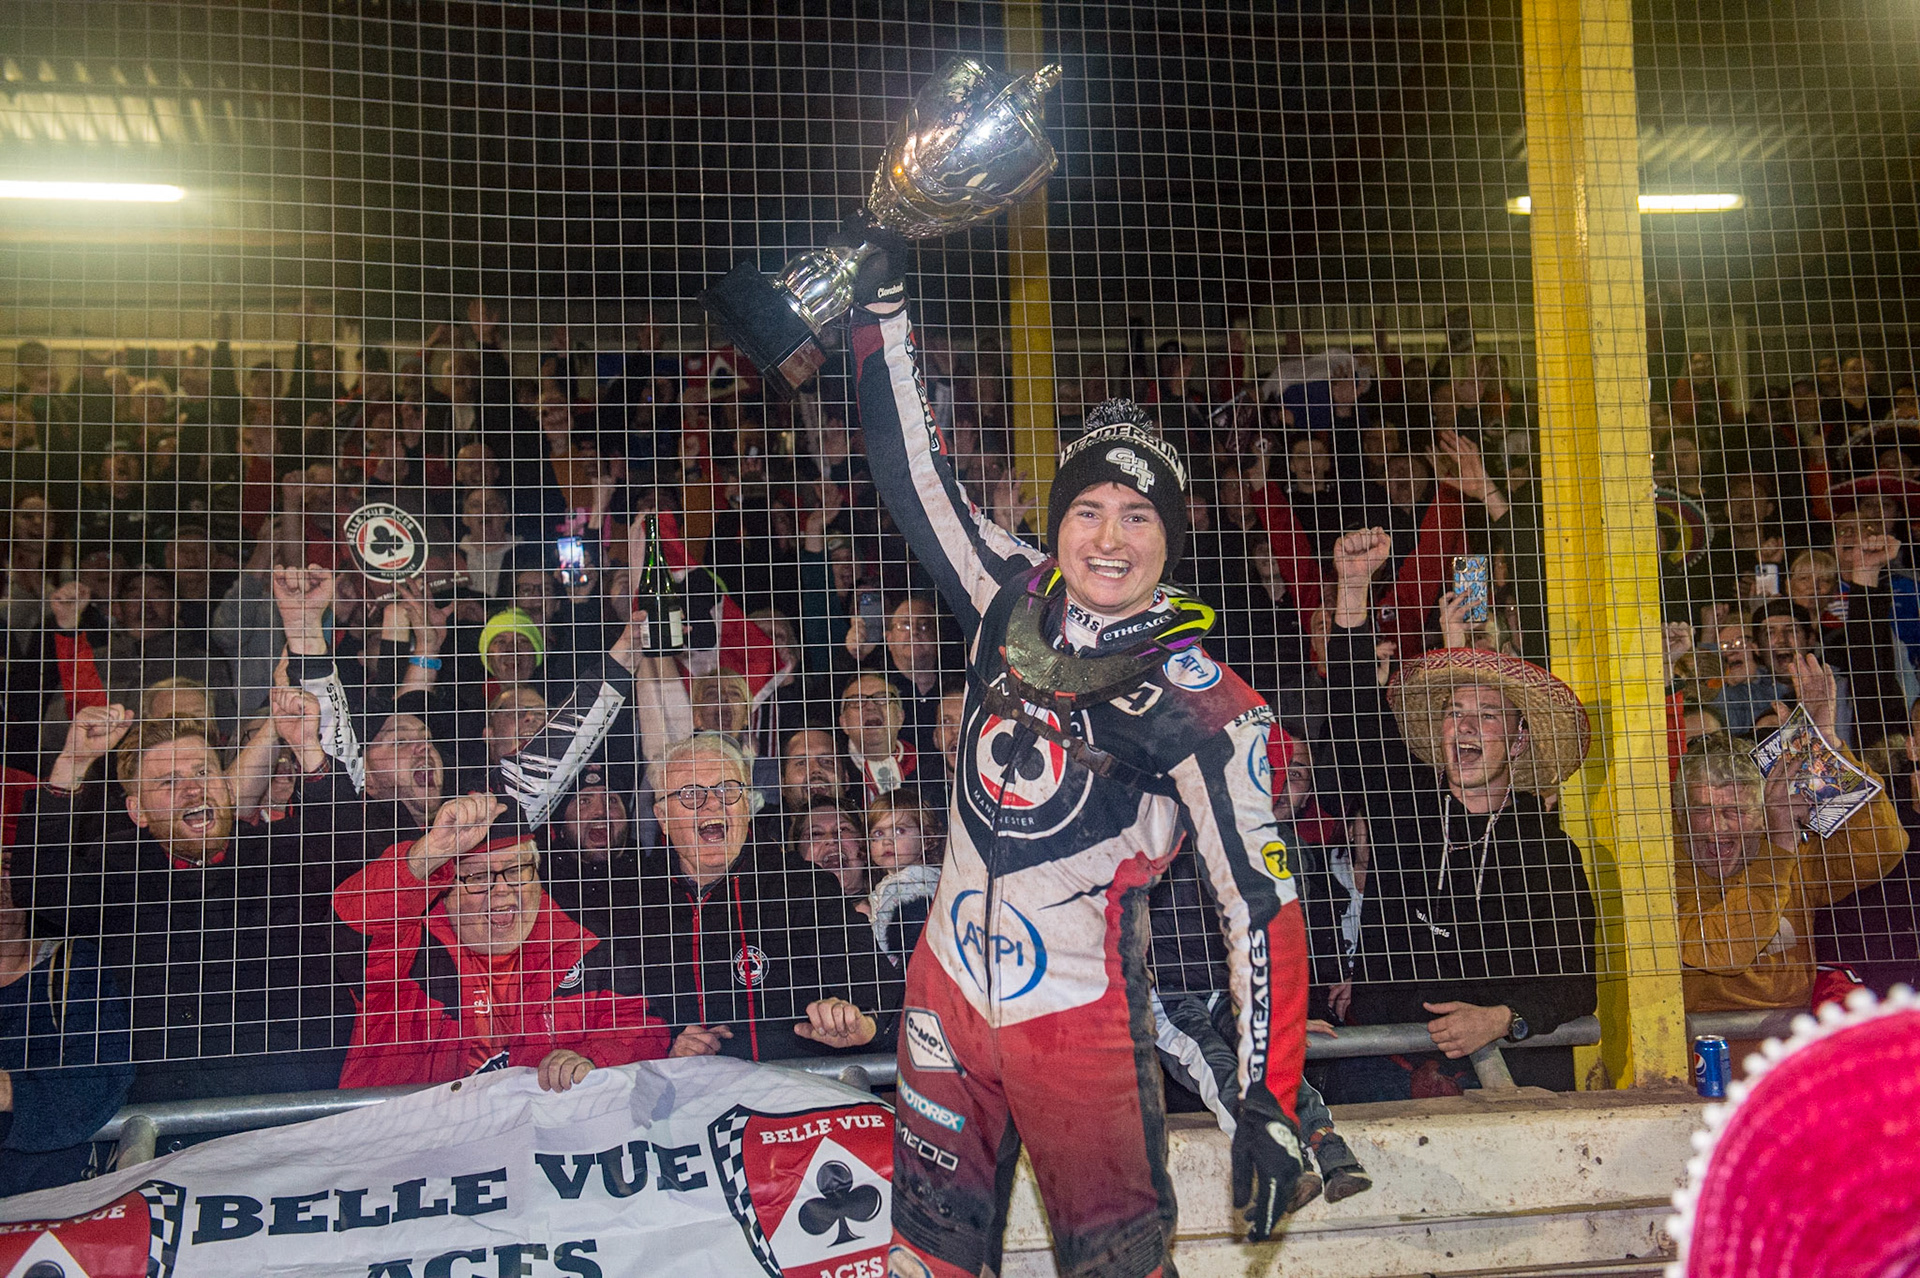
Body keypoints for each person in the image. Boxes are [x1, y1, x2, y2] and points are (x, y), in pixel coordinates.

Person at [849, 250, 1309, 1276]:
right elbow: (914, 476)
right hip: (944, 996)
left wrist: (1271, 1099)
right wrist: (881, 307)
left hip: (1076, 1028)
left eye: (1139, 516)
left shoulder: (1210, 707)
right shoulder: (1005, 589)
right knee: (923, 1258)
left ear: (1170, 539)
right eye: (1088, 510)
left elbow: (1262, 906)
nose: (1110, 537)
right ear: (1057, 523)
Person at [1323, 527, 1598, 1098]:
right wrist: (1353, 589)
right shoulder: (1405, 809)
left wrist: (1502, 1017)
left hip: (1500, 1079)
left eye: (1488, 715)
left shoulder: (1545, 849)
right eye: (1454, 711)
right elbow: (1354, 715)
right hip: (1380, 1069)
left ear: (1518, 742)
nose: (1466, 725)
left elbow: (1576, 983)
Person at [333, 791, 708, 1088]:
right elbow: (354, 919)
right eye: (478, 876)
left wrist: (590, 1060)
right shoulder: (408, 947)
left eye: (518, 870)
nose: (502, 890)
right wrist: (430, 852)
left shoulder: (583, 947)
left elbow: (642, 1029)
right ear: (444, 887)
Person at [608, 734, 885, 1063]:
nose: (713, 804)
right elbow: (617, 1022)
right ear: (662, 818)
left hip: (795, 1087)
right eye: (690, 793)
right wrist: (666, 1048)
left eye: (727, 789)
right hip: (687, 1092)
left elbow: (878, 990)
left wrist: (863, 1025)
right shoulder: (634, 902)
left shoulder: (803, 886)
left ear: (747, 806)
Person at [1673, 656, 1906, 1046]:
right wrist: (1780, 846)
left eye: (1735, 812)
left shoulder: (1784, 849)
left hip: (1791, 1049)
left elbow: (1882, 849)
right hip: (1697, 1051)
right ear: (1680, 815)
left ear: (1762, 814)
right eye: (1702, 811)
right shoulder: (1666, 865)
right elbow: (1720, 952)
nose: (1717, 828)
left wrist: (1827, 747)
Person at [0, 871, 135, 1198]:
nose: (1, 890)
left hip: (59, 1194)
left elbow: (105, 1075)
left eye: (7, 871)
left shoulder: (72, 965)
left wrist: (10, 1093)